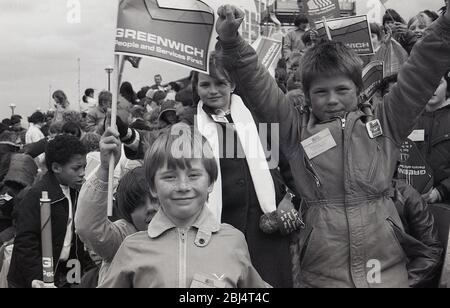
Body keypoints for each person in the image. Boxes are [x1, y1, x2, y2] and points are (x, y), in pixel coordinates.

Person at [213, 3, 450, 288]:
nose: (332, 99)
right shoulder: (295, 130)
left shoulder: (386, 123)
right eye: (321, 92)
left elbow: (420, 72)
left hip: (386, 270)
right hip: (321, 273)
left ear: (359, 89)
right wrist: (231, 41)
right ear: (308, 95)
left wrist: (446, 26)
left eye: (342, 90)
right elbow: (259, 86)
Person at [98, 125, 269, 288]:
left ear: (210, 182)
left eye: (194, 175)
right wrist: (104, 170)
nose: (183, 186)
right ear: (153, 187)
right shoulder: (132, 248)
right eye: (170, 177)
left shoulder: (232, 241)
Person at [7, 134, 93, 288]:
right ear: (56, 167)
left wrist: (76, 277)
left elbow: (74, 241)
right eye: (76, 168)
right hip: (35, 279)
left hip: (65, 271)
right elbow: (25, 243)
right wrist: (38, 279)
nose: (82, 173)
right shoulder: (35, 195)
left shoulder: (77, 191)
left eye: (84, 167)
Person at [76, 128, 158, 285]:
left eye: (155, 200)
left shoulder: (182, 230)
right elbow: (88, 227)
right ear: (127, 213)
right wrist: (105, 168)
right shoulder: (123, 236)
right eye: (139, 204)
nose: (150, 208)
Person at [411, 74, 450, 204]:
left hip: (445, 202)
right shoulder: (410, 118)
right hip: (411, 201)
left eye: (438, 83)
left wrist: (440, 192)